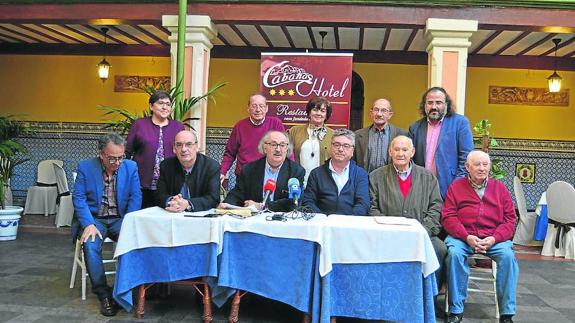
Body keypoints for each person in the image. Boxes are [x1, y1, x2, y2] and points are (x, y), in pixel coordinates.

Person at [442, 150, 518, 323]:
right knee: (454, 255)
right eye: (477, 164)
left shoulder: (500, 188)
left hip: (493, 237)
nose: (482, 168)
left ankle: (507, 313)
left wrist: (494, 238)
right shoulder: (456, 187)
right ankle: (456, 310)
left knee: (508, 257)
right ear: (467, 167)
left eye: (485, 164)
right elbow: (448, 217)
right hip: (463, 237)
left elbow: (510, 220)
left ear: (490, 167)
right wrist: (466, 236)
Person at [72, 133, 142, 317]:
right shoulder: (86, 167)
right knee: (91, 246)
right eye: (112, 158)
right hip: (96, 219)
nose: (117, 162)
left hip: (120, 218)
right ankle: (104, 294)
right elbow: (79, 198)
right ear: (101, 154)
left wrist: (129, 221)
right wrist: (87, 224)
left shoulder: (131, 167)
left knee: (135, 243)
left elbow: (136, 197)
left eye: (120, 157)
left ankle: (124, 290)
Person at [368, 135, 446, 286]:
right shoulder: (376, 177)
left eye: (405, 149)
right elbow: (372, 208)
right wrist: (390, 230)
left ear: (413, 152)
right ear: (390, 152)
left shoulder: (428, 177)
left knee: (440, 249)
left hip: (423, 235)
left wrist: (423, 231)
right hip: (386, 235)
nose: (400, 154)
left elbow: (436, 208)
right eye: (396, 149)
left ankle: (429, 300)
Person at [408, 87, 473, 197]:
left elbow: (466, 157)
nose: (434, 107)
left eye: (438, 102)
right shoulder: (415, 127)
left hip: (449, 187)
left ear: (446, 105)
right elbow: (410, 159)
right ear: (424, 106)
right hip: (421, 188)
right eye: (430, 103)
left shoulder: (460, 123)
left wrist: (456, 186)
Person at [126, 91, 185, 208]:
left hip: (169, 183)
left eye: (168, 104)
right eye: (160, 103)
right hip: (143, 182)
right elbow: (127, 151)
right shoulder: (139, 124)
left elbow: (183, 152)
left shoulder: (178, 126)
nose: (165, 107)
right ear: (151, 106)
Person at [221, 130, 304, 212]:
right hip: (253, 221)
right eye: (273, 144)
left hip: (283, 221)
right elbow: (237, 195)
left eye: (282, 145)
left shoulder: (296, 171)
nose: (278, 149)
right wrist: (226, 204)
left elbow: (294, 202)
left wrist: (262, 206)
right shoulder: (249, 169)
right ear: (265, 148)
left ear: (287, 148)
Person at [220, 94, 286, 187]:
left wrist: (291, 173)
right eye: (254, 106)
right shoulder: (240, 126)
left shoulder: (275, 124)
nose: (258, 110)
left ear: (266, 108)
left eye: (261, 106)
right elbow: (230, 153)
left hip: (269, 176)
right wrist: (222, 172)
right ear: (248, 109)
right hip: (244, 176)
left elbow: (285, 149)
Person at [302, 129, 370, 215]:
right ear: (331, 147)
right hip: (322, 223)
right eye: (337, 145)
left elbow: (363, 204)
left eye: (346, 146)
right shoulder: (316, 174)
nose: (340, 149)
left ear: (352, 151)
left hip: (351, 223)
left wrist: (346, 221)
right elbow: (308, 201)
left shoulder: (361, 174)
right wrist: (323, 219)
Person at [155, 130, 220, 212]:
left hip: (199, 217)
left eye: (189, 144)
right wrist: (171, 201)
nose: (183, 149)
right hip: (172, 213)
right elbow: (159, 195)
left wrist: (188, 204)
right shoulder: (166, 165)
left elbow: (213, 198)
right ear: (174, 148)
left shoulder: (211, 166)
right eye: (179, 145)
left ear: (196, 146)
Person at [288, 96, 334, 185]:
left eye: (322, 111)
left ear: (326, 115)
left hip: (323, 185)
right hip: (298, 183)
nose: (318, 113)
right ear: (309, 113)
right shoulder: (294, 131)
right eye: (315, 110)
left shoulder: (333, 135)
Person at [354, 98, 407, 173]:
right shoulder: (358, 135)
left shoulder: (402, 135)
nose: (379, 114)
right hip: (366, 181)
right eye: (376, 110)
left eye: (384, 110)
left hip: (391, 182)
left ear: (390, 115)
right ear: (371, 113)